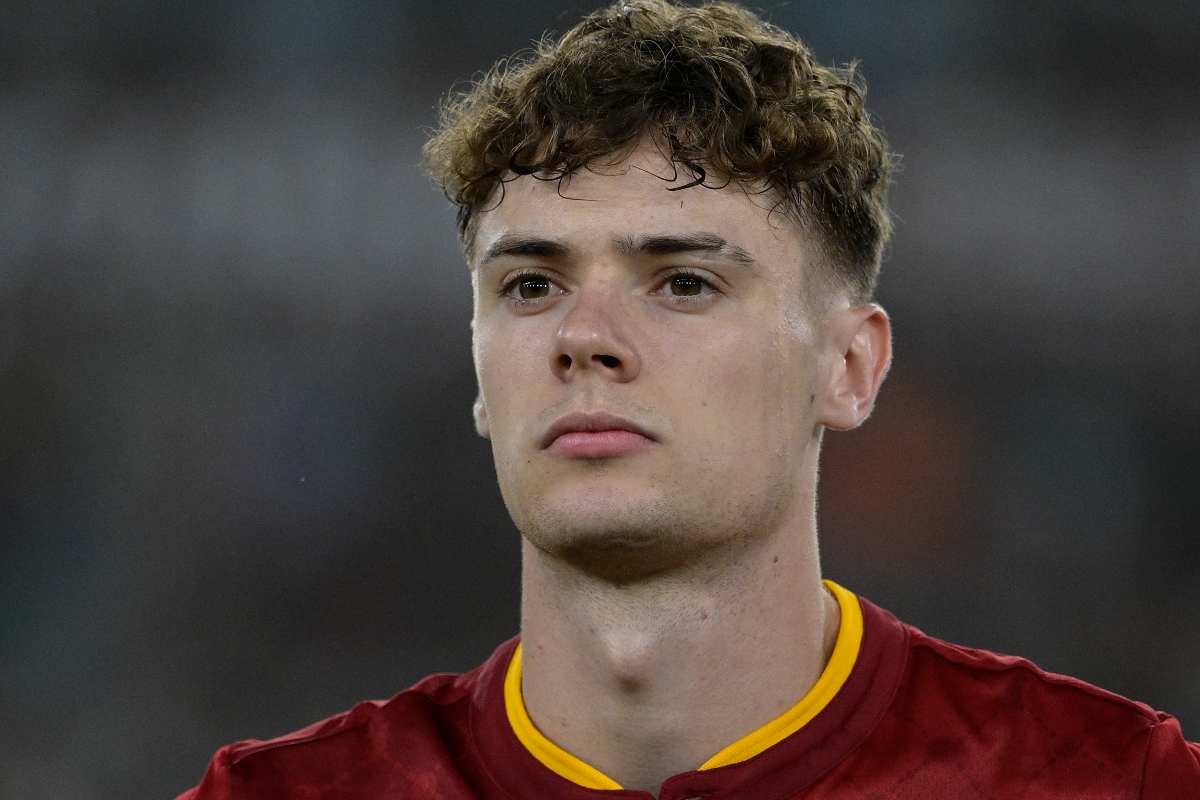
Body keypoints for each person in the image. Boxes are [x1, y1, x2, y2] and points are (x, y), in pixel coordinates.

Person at [176, 1, 1199, 797]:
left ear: (849, 367)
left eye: (683, 282)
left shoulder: (1107, 780)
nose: (583, 337)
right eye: (530, 285)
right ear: (479, 370)